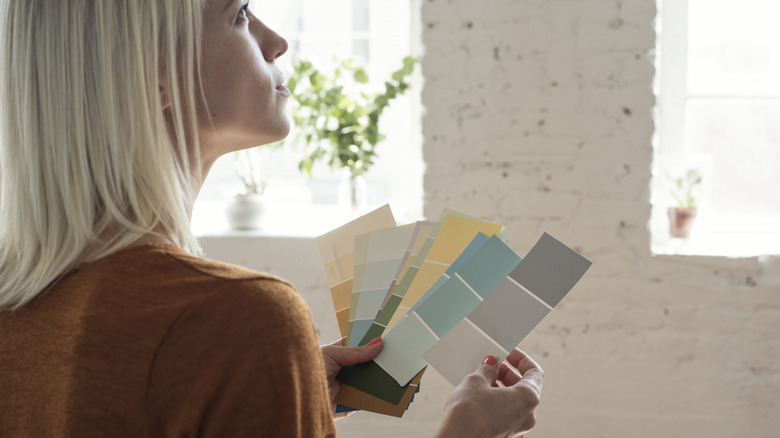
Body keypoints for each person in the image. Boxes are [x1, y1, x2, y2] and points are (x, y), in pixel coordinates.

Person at [0, 1, 543, 436]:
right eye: (239, 13)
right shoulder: (240, 316)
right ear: (157, 76)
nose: (275, 41)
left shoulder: (17, 298)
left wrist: (280, 394)